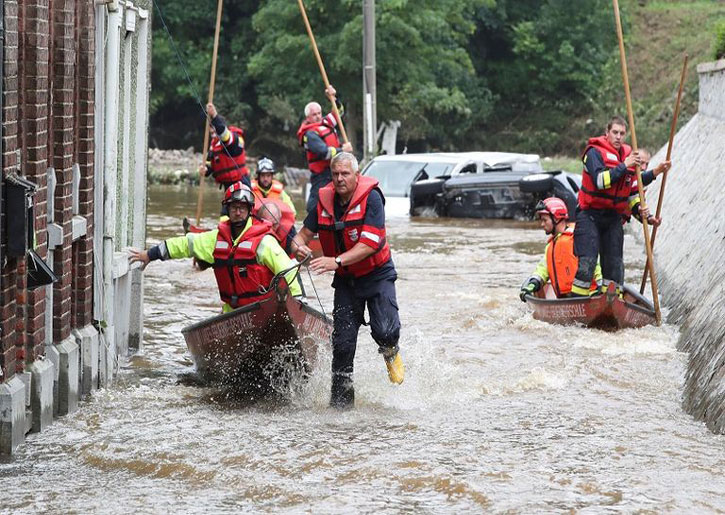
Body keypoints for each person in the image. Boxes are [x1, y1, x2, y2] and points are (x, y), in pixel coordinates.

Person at [291, 152, 403, 408]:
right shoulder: (324, 202)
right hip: (346, 281)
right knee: (342, 346)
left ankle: (390, 351)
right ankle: (340, 407)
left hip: (377, 274)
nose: (340, 179)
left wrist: (336, 261)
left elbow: (369, 244)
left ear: (357, 175)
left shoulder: (372, 198)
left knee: (385, 331)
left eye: (345, 174)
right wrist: (298, 247)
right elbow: (301, 236)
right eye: (335, 174)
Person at [129, 182, 301, 312]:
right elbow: (184, 245)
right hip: (232, 312)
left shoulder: (264, 242)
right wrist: (150, 255)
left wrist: (299, 302)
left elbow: (289, 270)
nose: (238, 212)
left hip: (264, 310)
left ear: (250, 210)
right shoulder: (215, 239)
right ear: (228, 209)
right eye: (234, 207)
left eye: (242, 208)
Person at [571, 116, 671, 297]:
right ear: (607, 133)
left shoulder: (629, 156)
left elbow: (632, 192)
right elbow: (600, 181)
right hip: (589, 216)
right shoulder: (593, 153)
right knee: (587, 264)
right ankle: (577, 301)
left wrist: (646, 216)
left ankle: (610, 302)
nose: (618, 137)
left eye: (622, 133)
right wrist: (625, 165)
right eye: (615, 132)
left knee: (615, 267)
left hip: (613, 219)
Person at [520, 197, 601, 301]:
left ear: (556, 219)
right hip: (564, 299)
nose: (542, 224)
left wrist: (600, 285)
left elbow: (595, 263)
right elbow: (543, 269)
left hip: (587, 296)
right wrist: (534, 283)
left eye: (545, 220)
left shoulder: (577, 239)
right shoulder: (550, 246)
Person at [296, 85, 353, 214]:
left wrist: (333, 97)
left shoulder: (326, 122)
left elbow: (339, 111)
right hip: (321, 175)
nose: (317, 116)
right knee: (316, 204)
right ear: (308, 118)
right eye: (314, 114)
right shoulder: (309, 134)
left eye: (319, 113)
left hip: (335, 171)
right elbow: (324, 152)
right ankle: (311, 223)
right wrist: (342, 150)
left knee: (340, 201)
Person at [199, 103, 250, 210]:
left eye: (214, 128)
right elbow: (210, 164)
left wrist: (214, 115)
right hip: (228, 186)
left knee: (239, 213)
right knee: (225, 214)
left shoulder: (233, 139)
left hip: (241, 183)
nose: (212, 131)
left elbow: (224, 135)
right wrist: (205, 169)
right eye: (210, 128)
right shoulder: (214, 145)